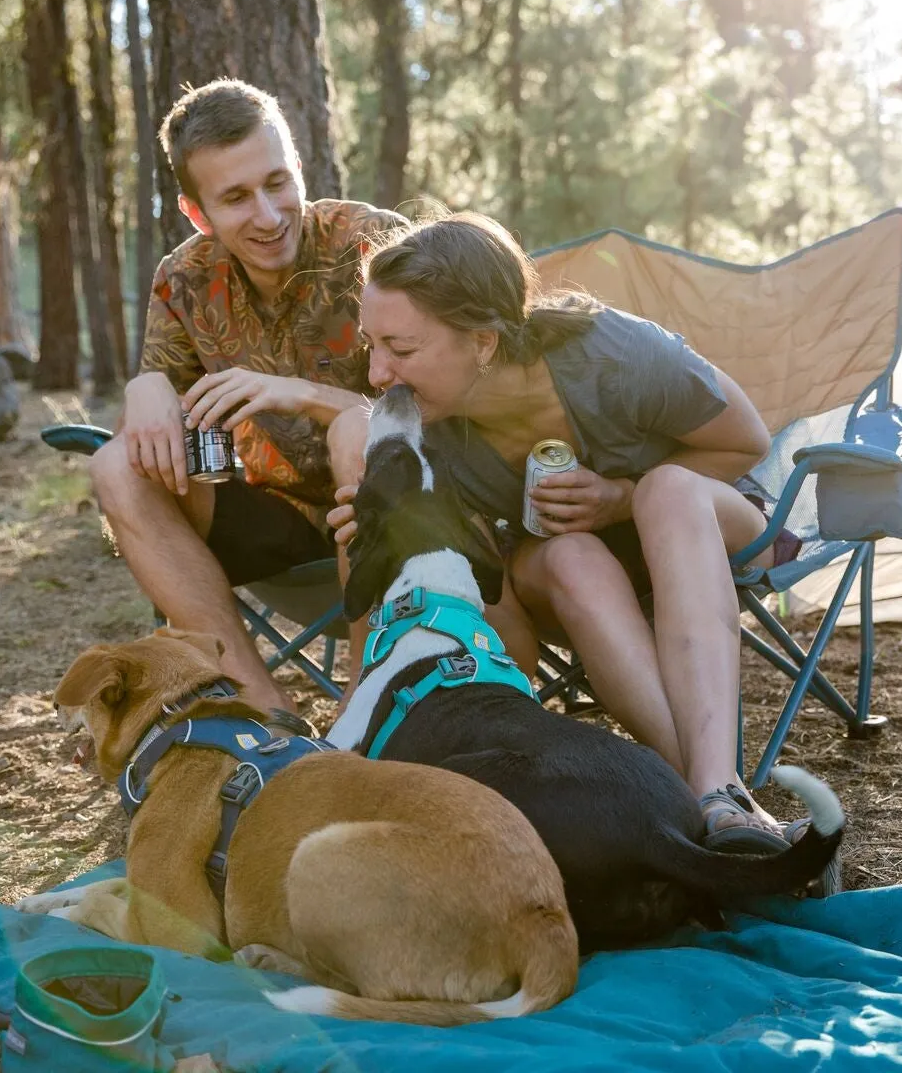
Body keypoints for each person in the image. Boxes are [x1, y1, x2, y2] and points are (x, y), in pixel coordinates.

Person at [326, 213, 804, 852]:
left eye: (401, 349)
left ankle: (719, 781)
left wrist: (618, 498)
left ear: (484, 340)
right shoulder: (427, 435)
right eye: (371, 345)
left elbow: (744, 442)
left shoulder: (612, 354)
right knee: (572, 555)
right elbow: (501, 627)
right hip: (579, 573)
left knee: (667, 490)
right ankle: (709, 805)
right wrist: (389, 532)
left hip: (709, 528)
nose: (378, 372)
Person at [90, 79, 403, 713]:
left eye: (278, 182)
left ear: (298, 170)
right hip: (273, 511)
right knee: (114, 466)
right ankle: (265, 714)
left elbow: (446, 413)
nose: (267, 215)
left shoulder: (376, 245)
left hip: (392, 506)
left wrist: (304, 395)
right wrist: (146, 387)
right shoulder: (185, 278)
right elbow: (160, 422)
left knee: (355, 431)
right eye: (235, 198)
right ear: (198, 213)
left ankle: (365, 710)